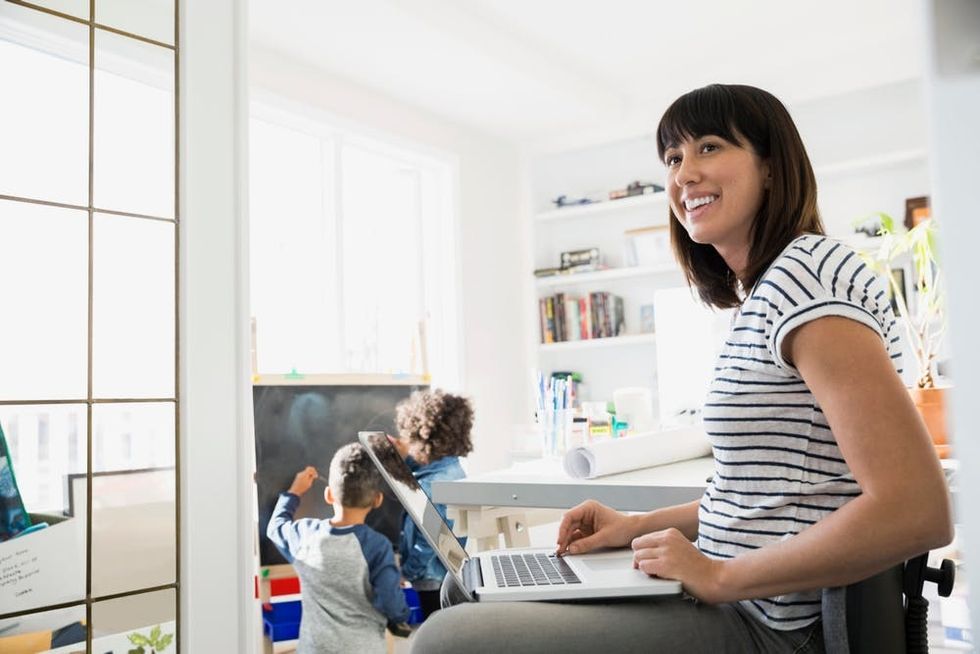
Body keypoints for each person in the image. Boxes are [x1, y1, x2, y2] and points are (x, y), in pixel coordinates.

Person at [411, 84, 953, 653]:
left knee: (447, 639)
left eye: (710, 148)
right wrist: (633, 526)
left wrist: (718, 577)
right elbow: (759, 501)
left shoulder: (808, 274)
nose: (684, 174)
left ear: (771, 167)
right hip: (734, 598)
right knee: (463, 585)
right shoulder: (770, 292)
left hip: (768, 625)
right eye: (673, 158)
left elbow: (916, 509)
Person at [266, 443, 410, 654]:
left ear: (329, 495)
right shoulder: (377, 547)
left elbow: (275, 527)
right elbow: (390, 602)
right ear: (377, 500)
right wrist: (400, 616)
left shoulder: (305, 535)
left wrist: (294, 491)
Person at [387, 388, 474, 619]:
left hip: (431, 577)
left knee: (435, 623)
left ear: (420, 439)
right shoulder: (453, 470)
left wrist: (408, 571)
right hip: (447, 572)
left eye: (406, 437)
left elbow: (427, 542)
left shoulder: (430, 487)